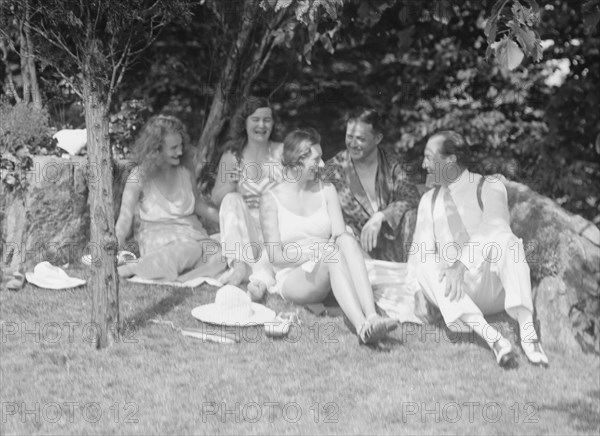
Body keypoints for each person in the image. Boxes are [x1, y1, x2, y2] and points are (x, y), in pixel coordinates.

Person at [408, 130, 549, 367]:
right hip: (455, 292)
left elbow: (495, 229)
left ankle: (528, 333)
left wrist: (461, 264)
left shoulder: (489, 186)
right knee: (425, 261)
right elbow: (417, 254)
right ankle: (493, 339)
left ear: (450, 160)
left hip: (491, 284)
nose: (424, 165)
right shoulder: (428, 200)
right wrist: (417, 291)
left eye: (429, 157)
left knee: (508, 241)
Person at [260, 128, 399, 345]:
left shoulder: (327, 189)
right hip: (294, 275)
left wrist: (328, 250)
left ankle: (372, 316)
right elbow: (276, 257)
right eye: (317, 159)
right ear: (299, 160)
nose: (323, 165)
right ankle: (362, 327)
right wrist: (316, 252)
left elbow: (340, 236)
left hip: (329, 263)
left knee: (345, 239)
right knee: (332, 252)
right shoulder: (271, 199)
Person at [115, 115, 226, 281]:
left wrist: (227, 219)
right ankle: (133, 267)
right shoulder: (138, 176)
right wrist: (116, 245)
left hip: (193, 234)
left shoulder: (185, 170)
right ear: (156, 149)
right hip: (160, 242)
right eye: (174, 148)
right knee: (191, 249)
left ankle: (181, 278)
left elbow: (198, 205)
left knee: (223, 254)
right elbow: (124, 219)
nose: (180, 152)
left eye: (181, 146)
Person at [325, 108, 421, 262]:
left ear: (377, 138)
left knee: (412, 214)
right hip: (356, 252)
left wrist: (381, 216)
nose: (352, 144)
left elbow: (412, 199)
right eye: (349, 136)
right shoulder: (333, 169)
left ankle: (411, 272)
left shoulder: (392, 164)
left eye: (360, 139)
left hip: (396, 248)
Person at [211, 97, 283, 300]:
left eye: (267, 119)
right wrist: (230, 182)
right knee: (232, 199)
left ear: (273, 123)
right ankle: (239, 265)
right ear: (245, 122)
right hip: (247, 233)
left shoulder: (282, 152)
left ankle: (260, 279)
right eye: (255, 119)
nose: (262, 125)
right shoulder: (232, 156)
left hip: (276, 231)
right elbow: (217, 199)